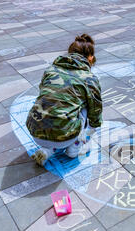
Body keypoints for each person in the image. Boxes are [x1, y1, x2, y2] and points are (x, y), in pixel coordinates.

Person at [26, 34, 102, 166]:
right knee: (84, 107)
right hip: (64, 134)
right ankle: (74, 148)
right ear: (90, 57)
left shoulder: (51, 70)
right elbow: (96, 109)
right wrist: (93, 129)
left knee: (54, 102)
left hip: (36, 131)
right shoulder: (89, 78)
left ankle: (47, 150)